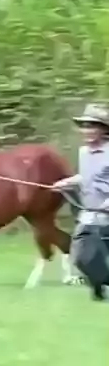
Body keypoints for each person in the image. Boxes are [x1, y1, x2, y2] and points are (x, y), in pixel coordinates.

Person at [52, 103, 109, 300]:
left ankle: (99, 290)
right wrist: (65, 183)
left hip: (106, 211)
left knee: (97, 254)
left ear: (103, 129)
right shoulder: (83, 152)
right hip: (90, 211)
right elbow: (85, 177)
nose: (87, 130)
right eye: (85, 126)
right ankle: (100, 285)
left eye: (93, 126)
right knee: (81, 256)